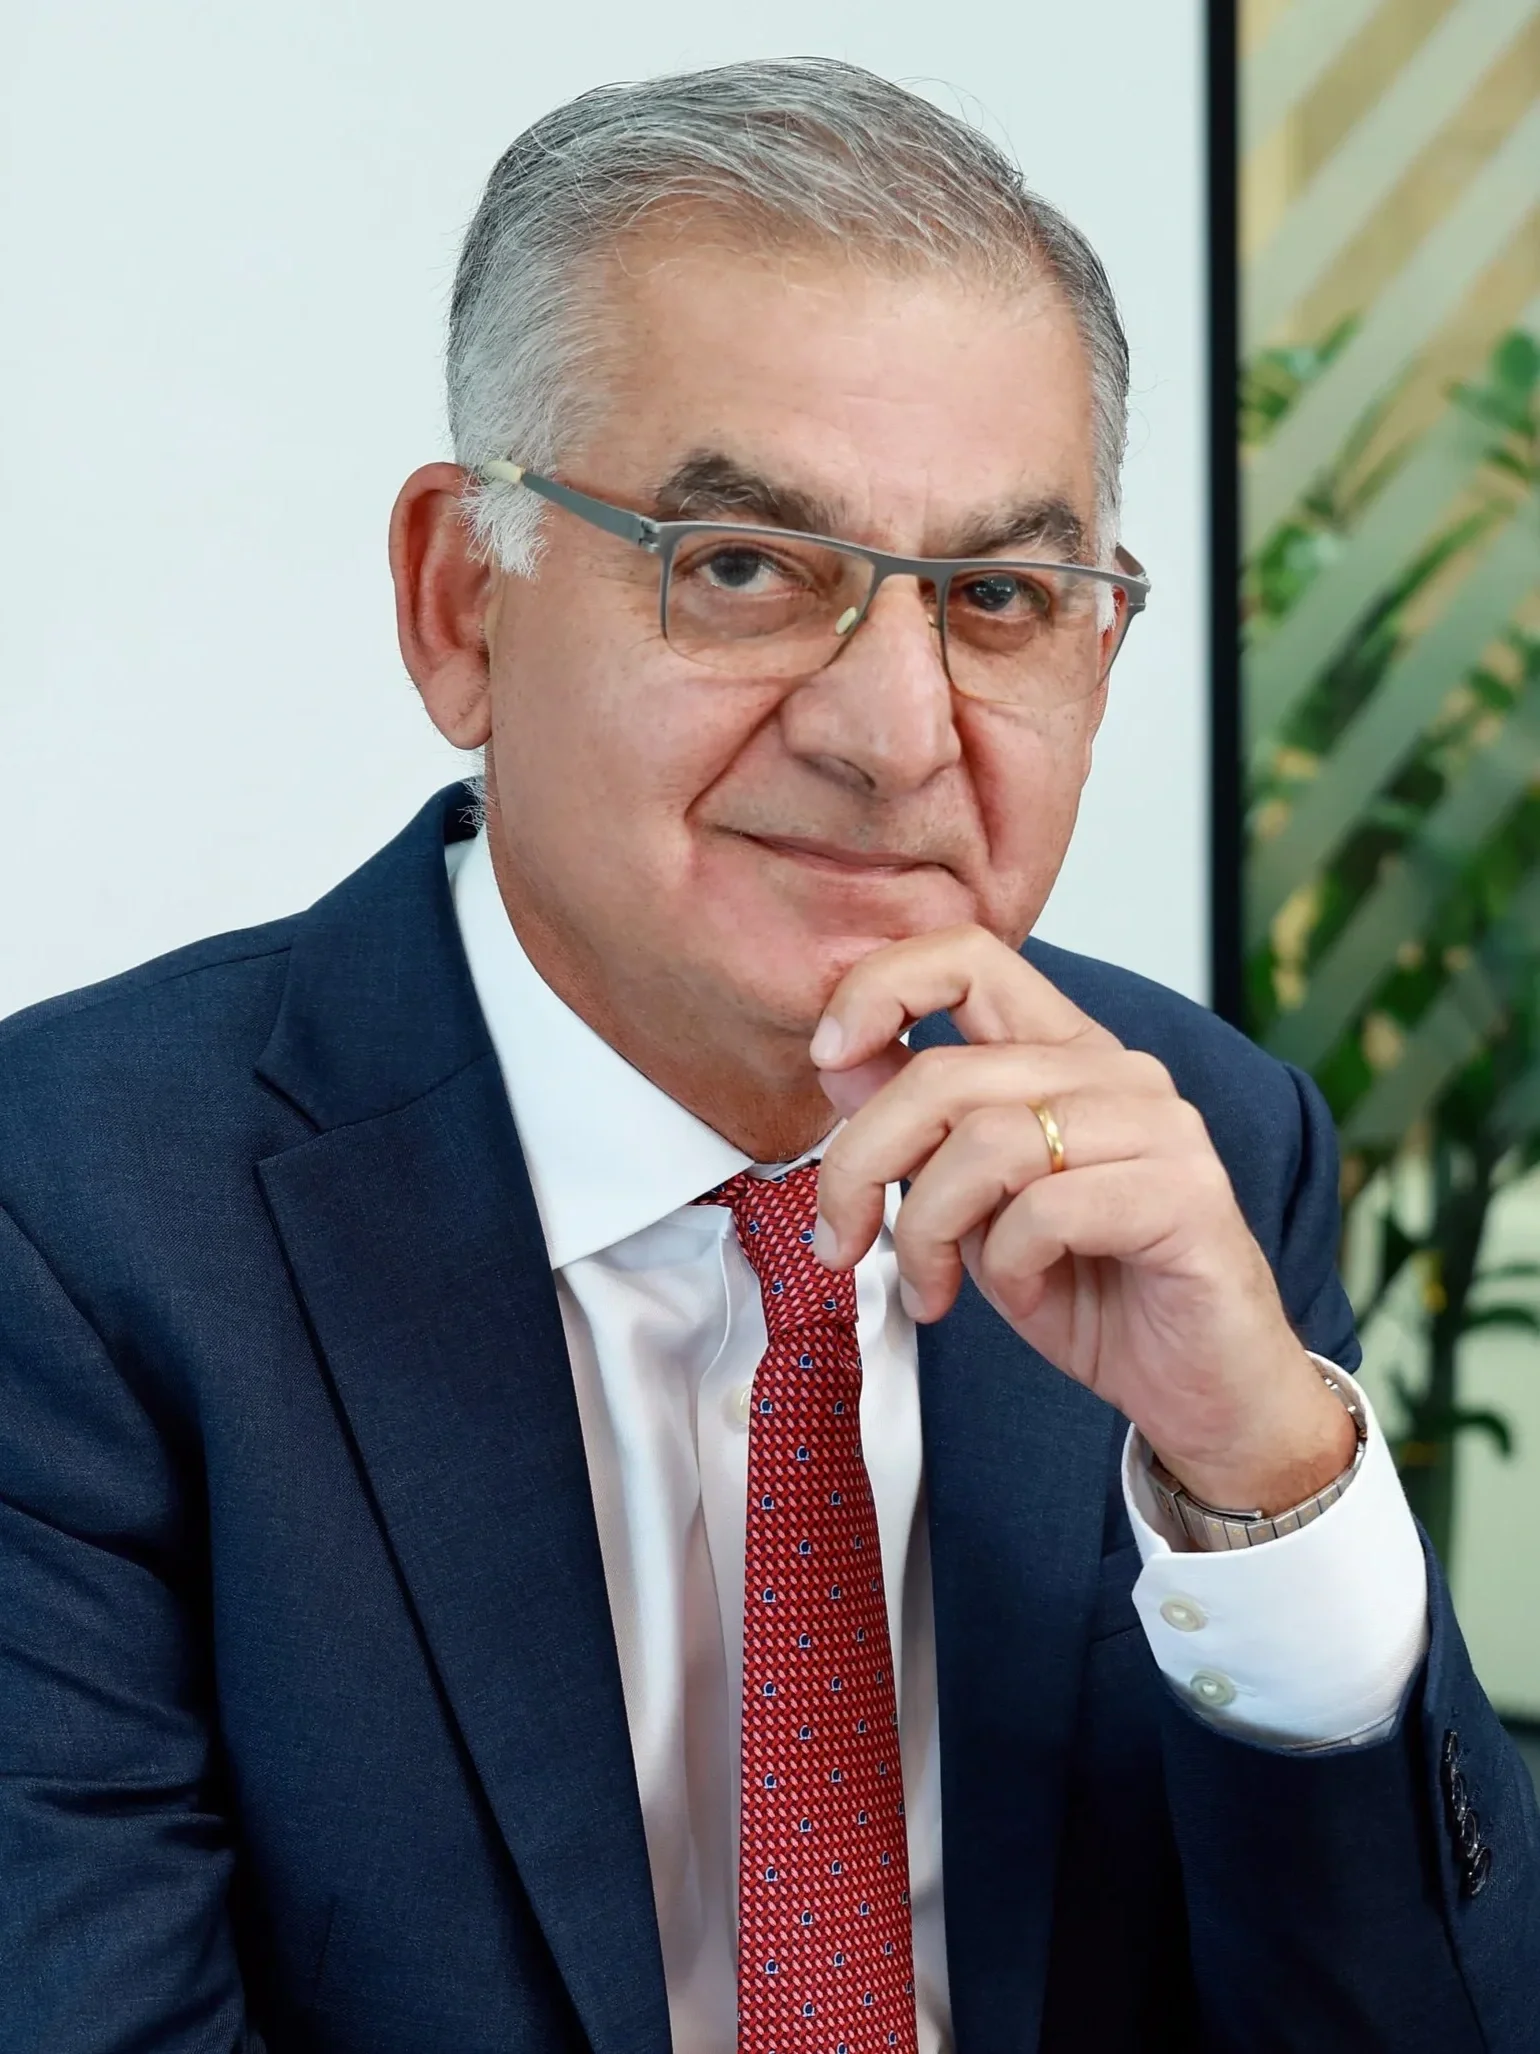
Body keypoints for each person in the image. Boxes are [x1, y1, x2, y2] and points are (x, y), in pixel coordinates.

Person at [0, 56, 1535, 2054]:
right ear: (463, 602)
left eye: (993, 596)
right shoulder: (76, 1215)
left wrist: (1260, 1493)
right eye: (742, 567)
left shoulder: (1197, 1144)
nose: (894, 734)